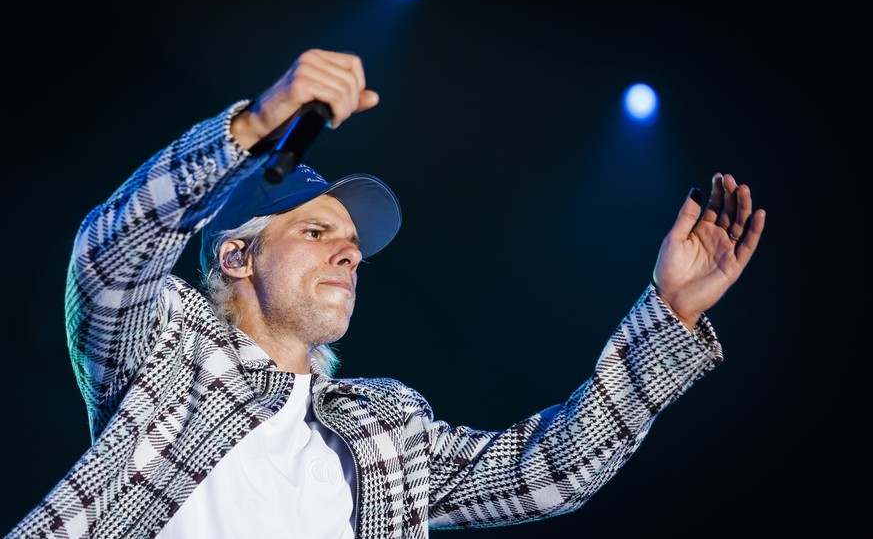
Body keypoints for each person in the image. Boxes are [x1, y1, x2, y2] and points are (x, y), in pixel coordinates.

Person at [6, 48, 765, 539]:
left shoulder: (387, 429)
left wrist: (670, 314)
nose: (348, 252)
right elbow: (114, 252)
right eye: (314, 233)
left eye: (352, 245)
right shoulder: (167, 351)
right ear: (236, 257)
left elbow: (550, 470)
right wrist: (249, 129)